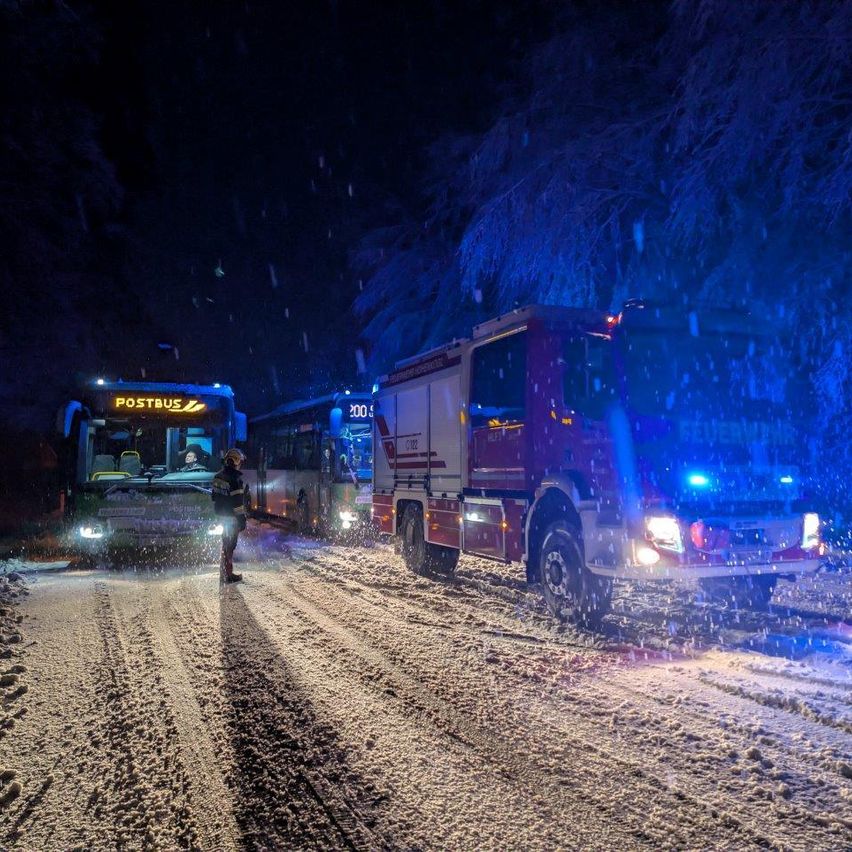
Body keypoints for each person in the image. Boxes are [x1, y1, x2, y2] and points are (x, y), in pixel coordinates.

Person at [212, 448, 247, 583]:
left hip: (221, 515)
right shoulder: (236, 480)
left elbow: (214, 497)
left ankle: (224, 572)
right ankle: (228, 574)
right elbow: (238, 504)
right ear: (237, 462)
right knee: (230, 546)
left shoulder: (217, 477)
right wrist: (242, 520)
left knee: (225, 543)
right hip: (232, 518)